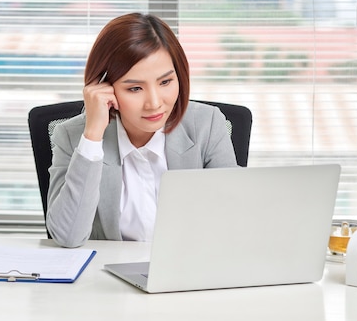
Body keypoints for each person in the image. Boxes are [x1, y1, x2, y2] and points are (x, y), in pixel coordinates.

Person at [46, 13, 238, 247]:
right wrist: (93, 134)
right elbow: (68, 237)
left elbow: (232, 223)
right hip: (106, 277)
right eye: (135, 88)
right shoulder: (73, 136)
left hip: (188, 274)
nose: (154, 103)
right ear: (104, 87)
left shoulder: (207, 125)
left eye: (165, 82)